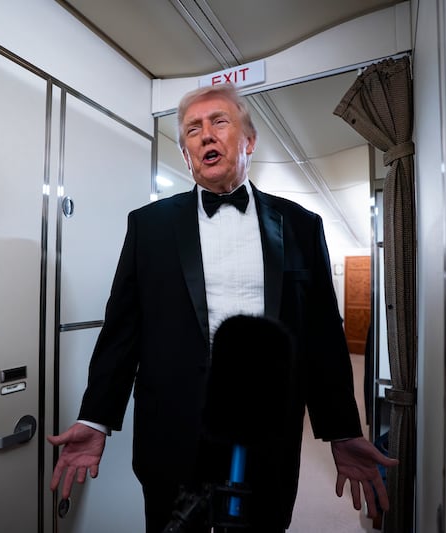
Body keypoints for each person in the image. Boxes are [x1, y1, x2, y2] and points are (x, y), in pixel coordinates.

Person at [48, 83, 398, 532]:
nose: (205, 135)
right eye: (192, 130)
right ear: (186, 151)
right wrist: (95, 417)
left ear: (248, 141)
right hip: (172, 430)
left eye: (219, 122)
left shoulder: (300, 226)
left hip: (267, 430)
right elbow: (122, 331)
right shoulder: (149, 226)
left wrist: (343, 430)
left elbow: (323, 339)